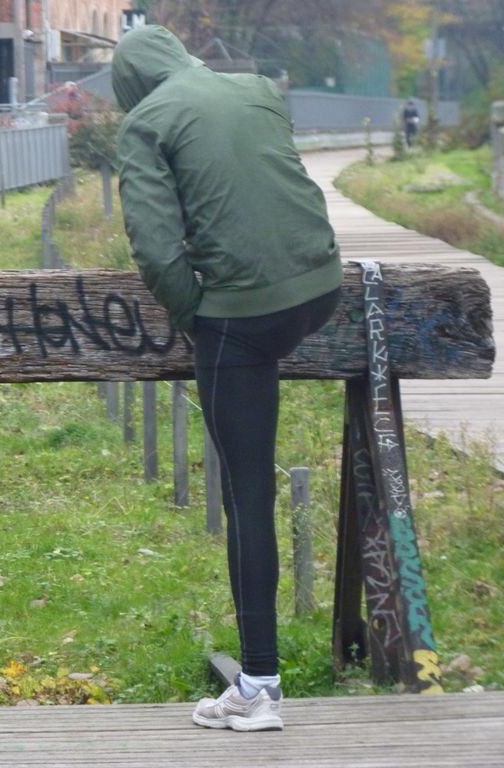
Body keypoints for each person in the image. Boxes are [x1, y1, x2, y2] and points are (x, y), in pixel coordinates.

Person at [111, 25, 343, 732]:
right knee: (251, 480)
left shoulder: (145, 123)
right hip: (322, 290)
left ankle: (259, 687)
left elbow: (156, 248)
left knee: (248, 497)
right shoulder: (256, 87)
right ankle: (256, 684)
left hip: (243, 317)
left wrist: (200, 316)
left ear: (131, 87)